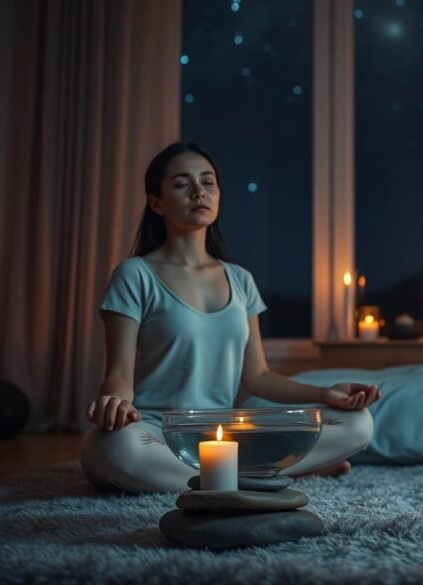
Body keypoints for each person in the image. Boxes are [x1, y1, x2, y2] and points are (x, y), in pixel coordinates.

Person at [79, 142, 381, 493]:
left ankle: (223, 476)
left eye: (208, 182)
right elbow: (118, 374)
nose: (198, 192)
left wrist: (326, 394)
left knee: (358, 423)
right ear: (156, 203)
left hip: (221, 431)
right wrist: (115, 403)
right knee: (110, 447)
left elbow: (259, 377)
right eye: (181, 184)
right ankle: (266, 476)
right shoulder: (134, 274)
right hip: (155, 432)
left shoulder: (240, 279)